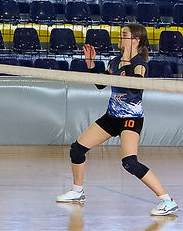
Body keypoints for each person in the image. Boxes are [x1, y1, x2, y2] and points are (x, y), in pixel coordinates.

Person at [56, 24, 177, 216]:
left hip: (131, 119)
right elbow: (100, 85)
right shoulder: (114, 61)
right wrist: (91, 65)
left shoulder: (139, 63)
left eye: (124, 35)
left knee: (130, 162)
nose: (120, 37)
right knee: (77, 149)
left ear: (136, 40)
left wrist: (127, 62)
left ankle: (167, 201)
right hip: (111, 117)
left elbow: (135, 88)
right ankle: (77, 192)